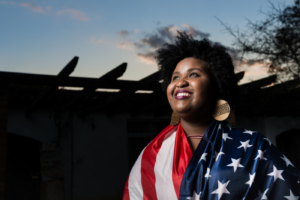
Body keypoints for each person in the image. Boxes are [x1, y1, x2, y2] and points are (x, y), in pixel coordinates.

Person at [123, 32, 300, 200]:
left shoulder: (254, 147)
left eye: (193, 74)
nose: (180, 83)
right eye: (175, 77)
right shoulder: (152, 153)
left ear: (217, 89)